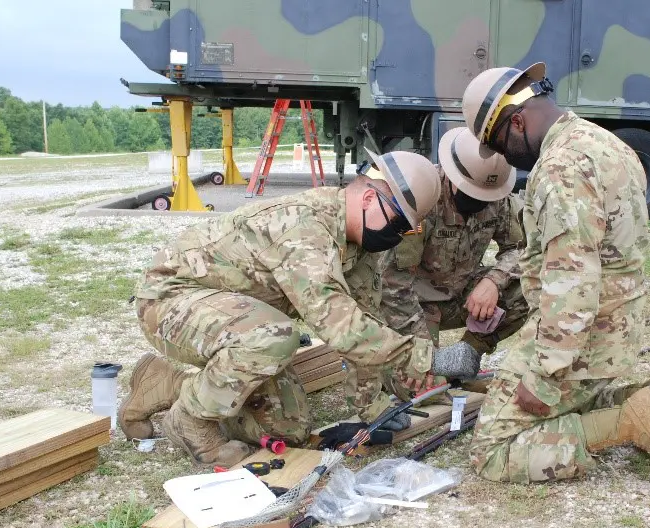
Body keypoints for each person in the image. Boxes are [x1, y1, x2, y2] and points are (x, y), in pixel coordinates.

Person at [119, 150, 483, 467]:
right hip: (170, 302)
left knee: (287, 429)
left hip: (236, 321)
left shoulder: (358, 247)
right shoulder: (304, 228)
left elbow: (364, 324)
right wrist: (429, 360)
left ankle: (172, 383)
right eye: (400, 224)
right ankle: (190, 421)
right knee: (275, 337)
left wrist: (373, 408)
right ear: (370, 199)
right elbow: (341, 326)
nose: (400, 236)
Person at [460, 63, 650, 492]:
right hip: (613, 327)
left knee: (492, 452)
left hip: (582, 338)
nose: (506, 159)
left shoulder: (561, 168)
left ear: (518, 121)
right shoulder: (604, 142)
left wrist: (544, 376)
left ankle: (630, 420)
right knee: (552, 410)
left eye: (501, 146)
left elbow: (572, 279)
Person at [380, 127, 528, 396]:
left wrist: (493, 281)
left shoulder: (498, 197)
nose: (481, 202)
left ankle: (464, 364)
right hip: (415, 306)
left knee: (526, 291)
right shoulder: (422, 194)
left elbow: (520, 249)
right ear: (452, 176)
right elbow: (395, 285)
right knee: (423, 393)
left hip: (460, 296)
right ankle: (414, 368)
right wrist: (427, 359)